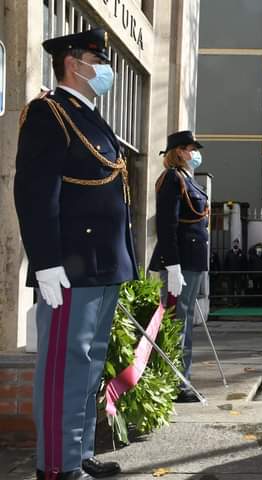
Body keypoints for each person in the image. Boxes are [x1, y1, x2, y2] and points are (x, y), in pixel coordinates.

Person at [14, 28, 135, 480]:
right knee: (64, 369)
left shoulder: (88, 116)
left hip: (102, 263)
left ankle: (78, 454)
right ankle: (56, 467)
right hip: (69, 267)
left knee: (87, 365)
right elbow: (33, 192)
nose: (104, 70)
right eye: (96, 60)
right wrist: (45, 262)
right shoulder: (49, 113)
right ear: (72, 63)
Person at [148, 130, 209, 404]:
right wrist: (172, 265)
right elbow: (166, 224)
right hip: (180, 262)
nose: (194, 153)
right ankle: (175, 382)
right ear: (178, 152)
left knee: (183, 321)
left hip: (191, 262)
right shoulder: (172, 179)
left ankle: (181, 378)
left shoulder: (187, 179)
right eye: (189, 148)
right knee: (177, 323)